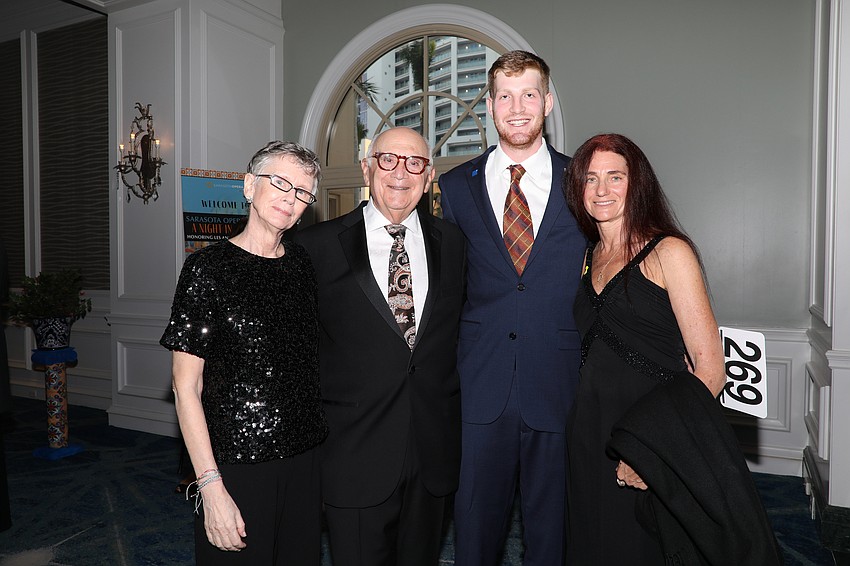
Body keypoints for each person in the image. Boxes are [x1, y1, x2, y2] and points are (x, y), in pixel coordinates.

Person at [562, 133, 780, 564]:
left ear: (636, 183)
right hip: (589, 434)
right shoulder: (588, 255)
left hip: (651, 435)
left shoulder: (669, 252)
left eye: (615, 176)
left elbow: (711, 367)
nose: (602, 190)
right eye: (590, 179)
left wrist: (651, 453)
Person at [436, 50, 585, 565]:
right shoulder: (456, 187)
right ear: (491, 106)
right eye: (504, 95)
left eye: (528, 94)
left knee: (554, 536)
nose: (517, 107)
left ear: (547, 102)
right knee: (474, 533)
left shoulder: (584, 183)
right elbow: (446, 289)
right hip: (479, 389)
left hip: (559, 385)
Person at [295, 126, 466, 566]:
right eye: (388, 160)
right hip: (353, 454)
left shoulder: (455, 244)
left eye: (415, 164)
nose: (401, 173)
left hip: (432, 452)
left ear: (428, 178)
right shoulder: (315, 246)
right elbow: (296, 354)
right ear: (368, 168)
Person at [160, 141, 328, 565]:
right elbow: (185, 387)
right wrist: (211, 486)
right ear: (250, 186)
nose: (292, 200)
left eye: (303, 193)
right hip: (236, 463)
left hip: (305, 458)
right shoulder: (207, 269)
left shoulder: (302, 264)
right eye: (281, 184)